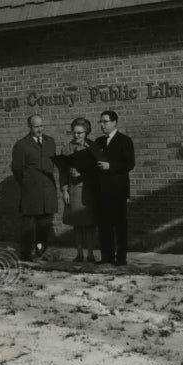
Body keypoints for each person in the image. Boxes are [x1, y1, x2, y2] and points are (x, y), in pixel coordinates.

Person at [11, 114, 58, 262]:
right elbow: (17, 170)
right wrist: (28, 183)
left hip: (48, 190)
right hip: (31, 192)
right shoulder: (21, 145)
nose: (39, 129)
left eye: (41, 126)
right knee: (29, 226)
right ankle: (25, 254)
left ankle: (40, 251)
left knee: (45, 224)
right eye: (36, 127)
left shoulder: (50, 142)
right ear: (29, 127)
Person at [92, 110, 135, 266]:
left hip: (118, 191)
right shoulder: (98, 142)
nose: (102, 125)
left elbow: (130, 164)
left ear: (115, 122)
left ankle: (121, 257)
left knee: (119, 225)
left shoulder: (124, 141)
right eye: (101, 122)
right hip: (102, 191)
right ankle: (107, 257)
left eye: (106, 121)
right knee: (104, 226)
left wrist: (110, 166)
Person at [57, 117, 98, 263]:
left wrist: (83, 173)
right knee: (78, 224)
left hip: (89, 191)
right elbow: (62, 173)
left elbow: (99, 171)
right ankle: (79, 254)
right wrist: (64, 190)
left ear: (86, 132)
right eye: (74, 133)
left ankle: (91, 254)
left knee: (90, 224)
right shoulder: (66, 149)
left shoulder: (93, 148)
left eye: (80, 133)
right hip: (74, 191)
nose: (76, 136)